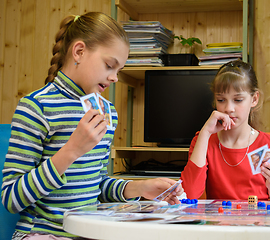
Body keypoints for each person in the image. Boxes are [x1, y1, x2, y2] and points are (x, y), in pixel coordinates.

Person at [1, 12, 183, 240]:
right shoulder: (36, 107)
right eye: (109, 65)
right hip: (42, 233)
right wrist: (71, 151)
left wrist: (139, 188)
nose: (115, 78)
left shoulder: (107, 113)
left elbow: (97, 184)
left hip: (88, 232)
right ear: (79, 51)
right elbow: (11, 199)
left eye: (119, 70)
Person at [180, 59, 270, 201]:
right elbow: (187, 195)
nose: (228, 108)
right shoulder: (203, 140)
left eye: (238, 100)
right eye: (221, 100)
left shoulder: (269, 145)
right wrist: (205, 133)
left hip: (258, 221)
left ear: (254, 99)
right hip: (220, 222)